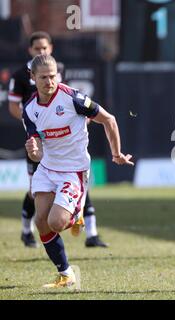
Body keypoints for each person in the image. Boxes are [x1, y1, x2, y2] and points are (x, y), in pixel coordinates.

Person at [23, 54, 133, 287]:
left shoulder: (73, 98)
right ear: (32, 77)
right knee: (40, 221)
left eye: (52, 76)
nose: (49, 82)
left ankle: (76, 213)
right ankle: (66, 274)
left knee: (56, 222)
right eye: (43, 77)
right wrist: (33, 150)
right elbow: (37, 150)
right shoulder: (30, 109)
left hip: (73, 171)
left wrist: (117, 153)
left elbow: (109, 120)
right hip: (47, 168)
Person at [8, 31, 107, 248]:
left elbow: (67, 106)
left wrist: (74, 121)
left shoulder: (57, 71)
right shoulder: (19, 76)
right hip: (39, 140)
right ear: (30, 51)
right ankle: (27, 231)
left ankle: (91, 233)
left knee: (76, 187)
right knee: (34, 189)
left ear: (50, 48)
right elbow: (14, 106)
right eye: (37, 49)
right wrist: (33, 126)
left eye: (45, 48)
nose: (41, 51)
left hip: (64, 147)